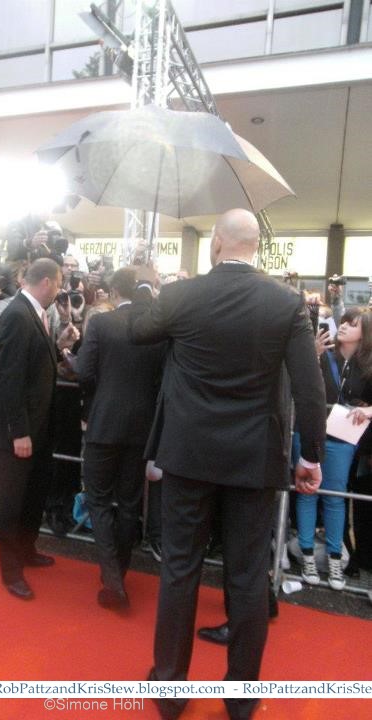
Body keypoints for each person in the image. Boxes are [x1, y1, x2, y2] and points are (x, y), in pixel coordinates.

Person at [128, 208, 326, 720]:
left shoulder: (183, 294)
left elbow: (138, 330)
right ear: (254, 245)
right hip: (253, 459)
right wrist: (310, 456)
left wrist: (147, 286)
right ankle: (240, 697)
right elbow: (310, 390)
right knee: (246, 576)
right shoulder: (285, 302)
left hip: (188, 455)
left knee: (180, 569)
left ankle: (169, 688)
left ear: (217, 242)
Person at [76, 267, 165, 610]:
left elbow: (85, 373)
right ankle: (119, 572)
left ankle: (113, 579)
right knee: (129, 503)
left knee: (98, 499)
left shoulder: (101, 323)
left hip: (104, 424)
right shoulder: (155, 330)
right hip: (142, 427)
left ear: (114, 291)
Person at [0, 258, 62, 601]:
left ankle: (27, 551)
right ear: (47, 282)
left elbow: (35, 361)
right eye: (59, 284)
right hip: (15, 432)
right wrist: (19, 431)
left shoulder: (33, 313)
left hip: (37, 428)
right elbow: (9, 378)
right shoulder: (17, 314)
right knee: (11, 503)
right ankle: (11, 571)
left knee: (33, 496)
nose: (60, 291)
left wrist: (59, 345)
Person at [296, 306, 372, 590]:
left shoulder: (367, 365)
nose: (344, 326)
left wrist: (368, 410)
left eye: (352, 323)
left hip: (343, 437)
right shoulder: (324, 352)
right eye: (343, 321)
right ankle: (306, 555)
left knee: (335, 496)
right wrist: (313, 354)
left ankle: (335, 558)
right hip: (310, 430)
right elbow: (300, 383)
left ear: (365, 332)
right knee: (306, 491)